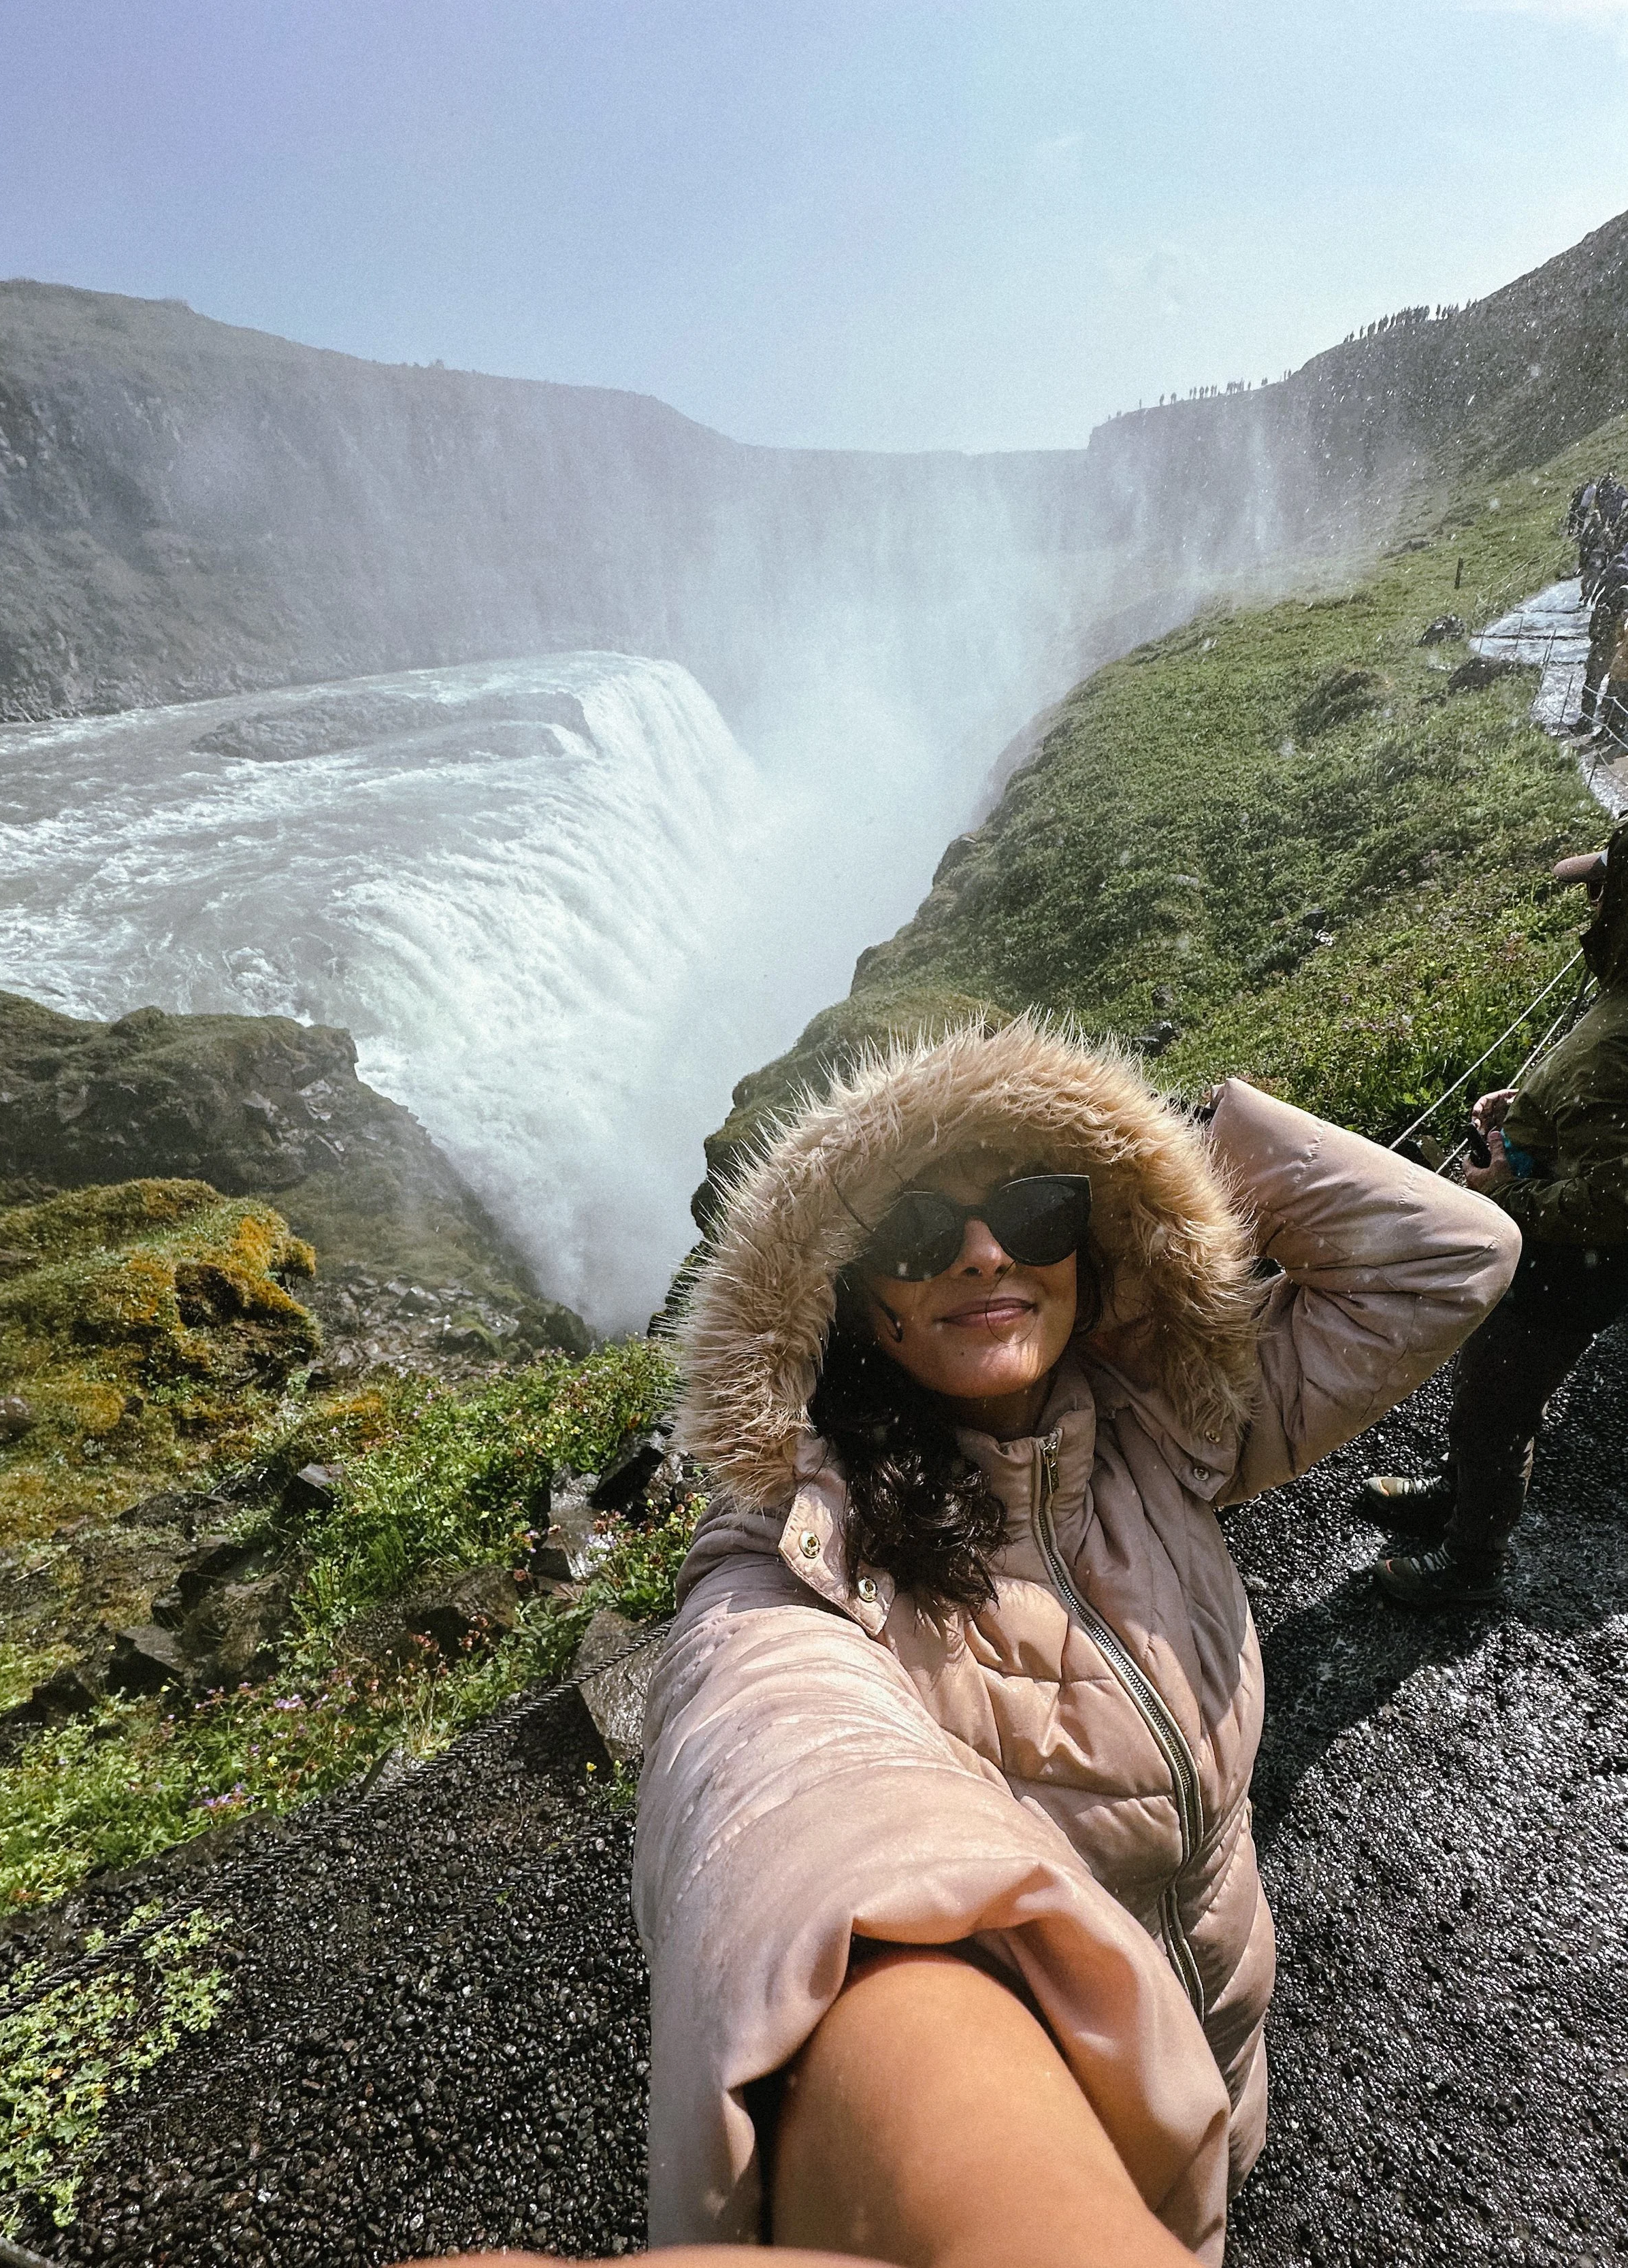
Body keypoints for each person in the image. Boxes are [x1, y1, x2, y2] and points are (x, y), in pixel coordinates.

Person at [633, 1021, 1518, 2266]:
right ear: (849, 1303)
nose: (987, 1249)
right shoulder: (806, 1547)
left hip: (1219, 2038)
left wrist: (1175, 1148)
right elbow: (772, 1760)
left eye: (1037, 1209)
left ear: (1093, 1246)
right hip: (1040, 2128)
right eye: (915, 1234)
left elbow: (1455, 1253)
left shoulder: (1165, 1425)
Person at [1369, 824, 1628, 1606]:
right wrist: (1529, 1106)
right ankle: (1453, 1496)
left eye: (1604, 887)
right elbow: (1597, 1105)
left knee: (1498, 1405)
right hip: (1546, 1248)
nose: (1590, 901)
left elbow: (1614, 1199)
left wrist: (1501, 1192)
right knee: (1489, 1380)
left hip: (1570, 1262)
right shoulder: (1621, 986)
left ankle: (1472, 1560)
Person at [1571, 545, 1628, 738]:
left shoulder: (1621, 591)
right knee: (1606, 689)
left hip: (1612, 646)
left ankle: (1601, 726)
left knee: (1605, 688)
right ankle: (1602, 727)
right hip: (1610, 646)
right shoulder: (1615, 590)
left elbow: (1611, 620)